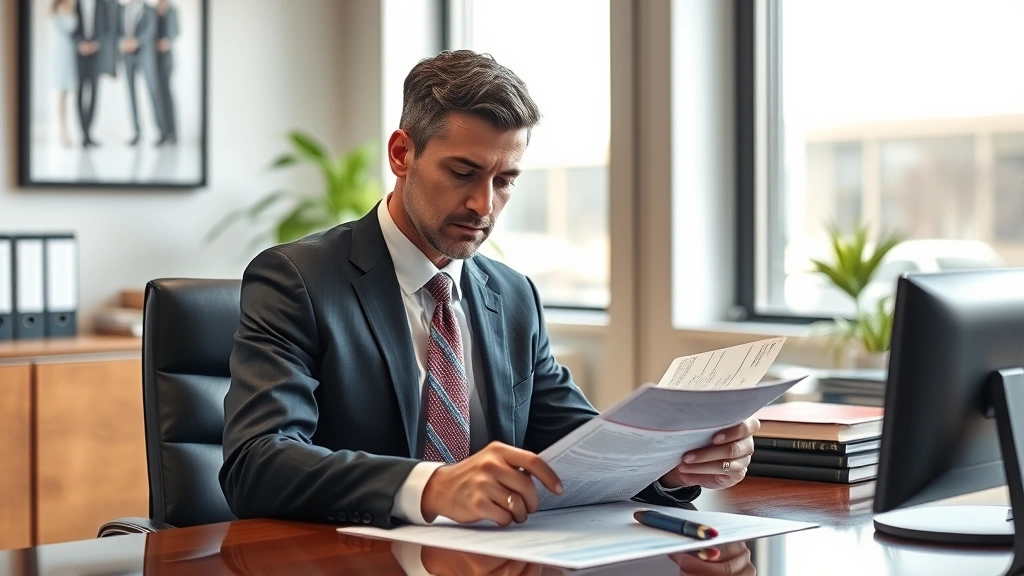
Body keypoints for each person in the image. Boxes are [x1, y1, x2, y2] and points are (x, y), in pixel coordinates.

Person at [220, 50, 758, 530]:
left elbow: (578, 449)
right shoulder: (297, 280)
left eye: (505, 181)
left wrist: (672, 463)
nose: (484, 205)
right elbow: (257, 463)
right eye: (463, 172)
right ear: (402, 154)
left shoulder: (513, 296)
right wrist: (431, 487)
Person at [117, 0, 161, 146]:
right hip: (127, 56)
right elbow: (116, 30)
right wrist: (122, 42)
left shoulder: (149, 10)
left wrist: (137, 42)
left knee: (153, 91)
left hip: (144, 55)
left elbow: (151, 30)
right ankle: (136, 132)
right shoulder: (120, 9)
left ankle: (160, 131)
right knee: (131, 94)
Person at [72, 0, 111, 147]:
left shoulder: (102, 5)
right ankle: (83, 133)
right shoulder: (75, 5)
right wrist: (79, 44)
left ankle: (89, 133)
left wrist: (96, 44)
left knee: (94, 92)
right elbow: (71, 30)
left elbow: (107, 29)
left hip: (96, 54)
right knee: (80, 92)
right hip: (79, 54)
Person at [50, 0, 79, 148]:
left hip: (71, 53)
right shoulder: (58, 10)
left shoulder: (73, 8)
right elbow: (67, 29)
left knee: (68, 94)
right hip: (61, 53)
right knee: (61, 93)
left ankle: (68, 130)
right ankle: (62, 130)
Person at [153, 0, 178, 145]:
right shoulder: (153, 10)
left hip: (166, 57)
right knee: (157, 95)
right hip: (154, 58)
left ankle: (172, 132)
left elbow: (176, 31)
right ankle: (162, 132)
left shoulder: (172, 10)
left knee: (167, 93)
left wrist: (167, 41)